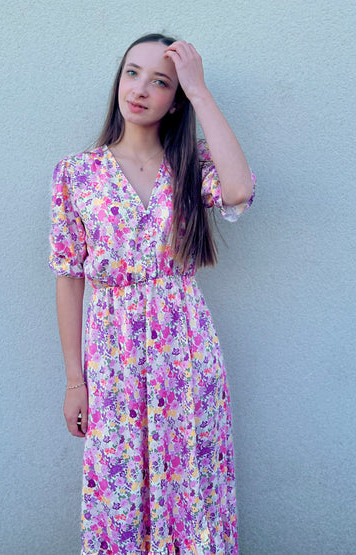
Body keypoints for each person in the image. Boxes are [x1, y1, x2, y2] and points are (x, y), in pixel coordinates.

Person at [49, 33, 255, 555]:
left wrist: (199, 89)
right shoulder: (77, 173)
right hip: (112, 355)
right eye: (132, 73)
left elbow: (238, 190)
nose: (140, 89)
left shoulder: (190, 165)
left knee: (189, 482)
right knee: (119, 486)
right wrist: (75, 381)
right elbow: (69, 277)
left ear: (175, 100)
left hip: (186, 352)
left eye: (160, 82)